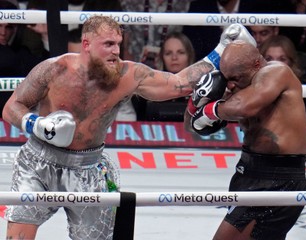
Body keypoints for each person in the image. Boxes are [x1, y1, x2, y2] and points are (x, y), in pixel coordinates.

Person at [3, 16, 256, 239]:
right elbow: (12, 107)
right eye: (109, 44)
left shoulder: (127, 75)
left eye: (118, 44)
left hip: (87, 168)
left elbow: (178, 83)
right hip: (39, 162)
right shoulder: (53, 69)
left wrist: (220, 51)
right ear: (87, 45)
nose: (116, 51)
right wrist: (37, 124)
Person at [187, 40, 306, 239]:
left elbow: (246, 107)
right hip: (246, 171)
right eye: (227, 78)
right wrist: (195, 105)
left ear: (255, 65)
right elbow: (192, 128)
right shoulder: (237, 88)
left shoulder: (277, 72)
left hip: (279, 179)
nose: (231, 84)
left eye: (235, 77)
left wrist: (210, 109)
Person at [259, 35, 306, 125]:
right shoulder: (252, 89)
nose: (275, 64)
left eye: (282, 59)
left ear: (291, 62)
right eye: (269, 59)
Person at [145, 31, 195, 121]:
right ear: (161, 57)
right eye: (168, 53)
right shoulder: (151, 88)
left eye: (180, 52)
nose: (174, 57)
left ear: (189, 55)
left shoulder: (202, 88)